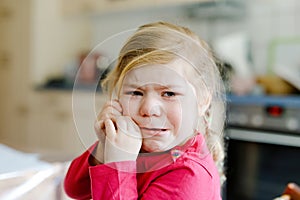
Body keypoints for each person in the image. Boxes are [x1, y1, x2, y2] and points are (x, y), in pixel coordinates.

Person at [64, 21, 226, 199]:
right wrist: (104, 148)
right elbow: (74, 188)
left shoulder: (190, 175)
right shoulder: (134, 145)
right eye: (136, 92)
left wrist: (118, 163)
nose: (148, 109)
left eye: (168, 93)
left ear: (202, 101)